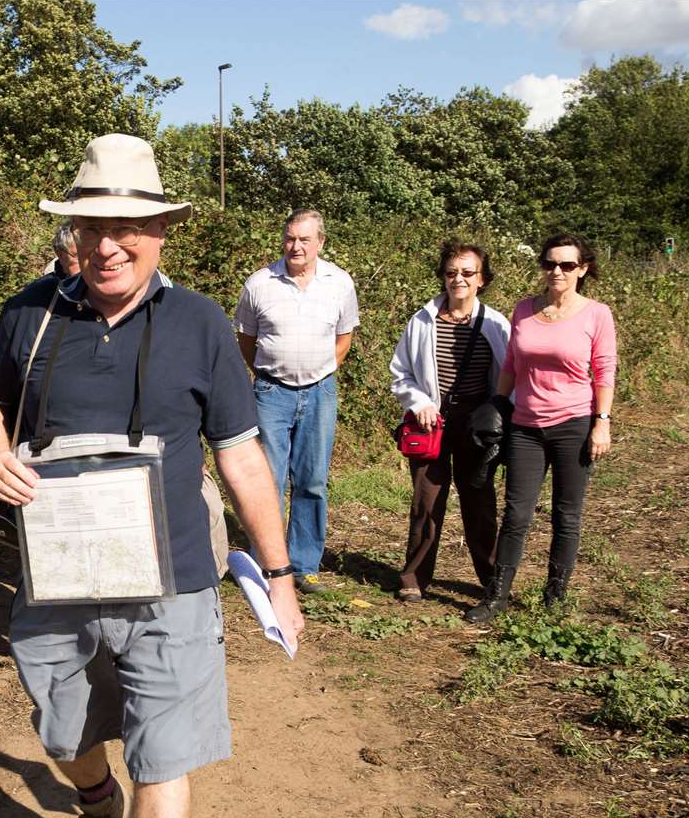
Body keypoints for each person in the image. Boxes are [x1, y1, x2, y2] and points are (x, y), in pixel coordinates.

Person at [0, 133, 304, 818]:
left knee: (167, 747)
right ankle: (94, 805)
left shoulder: (198, 325)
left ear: (161, 231)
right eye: (94, 226)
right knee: (61, 728)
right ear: (72, 231)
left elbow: (240, 452)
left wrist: (278, 573)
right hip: (58, 573)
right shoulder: (31, 315)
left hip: (176, 580)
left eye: (131, 227)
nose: (110, 243)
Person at [466, 232, 617, 623]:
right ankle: (497, 596)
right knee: (516, 514)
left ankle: (555, 596)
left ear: (583, 269)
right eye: (550, 263)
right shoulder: (524, 310)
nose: (557, 271)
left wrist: (602, 423)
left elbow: (603, 372)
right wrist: (498, 407)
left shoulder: (596, 314)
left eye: (567, 265)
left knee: (567, 515)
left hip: (574, 423)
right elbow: (513, 365)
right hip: (525, 425)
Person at [234, 208, 359, 594]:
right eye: (290, 238)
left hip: (320, 392)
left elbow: (344, 337)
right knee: (266, 480)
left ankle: (303, 565)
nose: (296, 246)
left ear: (320, 242)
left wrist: (320, 372)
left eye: (305, 239)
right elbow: (245, 339)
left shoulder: (339, 283)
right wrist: (269, 373)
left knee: (312, 480)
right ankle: (267, 564)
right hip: (271, 391)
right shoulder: (260, 283)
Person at [389, 241, 511, 602]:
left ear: (482, 279)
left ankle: (490, 578)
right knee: (426, 502)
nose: (459, 279)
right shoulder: (422, 321)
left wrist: (500, 416)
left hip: (478, 426)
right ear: (443, 277)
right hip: (431, 425)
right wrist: (420, 403)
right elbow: (400, 374)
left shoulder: (495, 324)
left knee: (480, 502)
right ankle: (414, 577)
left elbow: (509, 377)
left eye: (468, 272)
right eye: (451, 272)